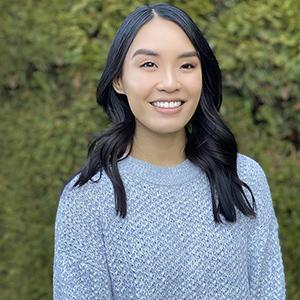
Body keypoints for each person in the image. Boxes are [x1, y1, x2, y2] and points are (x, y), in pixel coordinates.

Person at [52, 3, 286, 299]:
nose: (170, 83)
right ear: (118, 80)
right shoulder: (86, 199)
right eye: (149, 65)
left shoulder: (244, 178)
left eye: (187, 65)